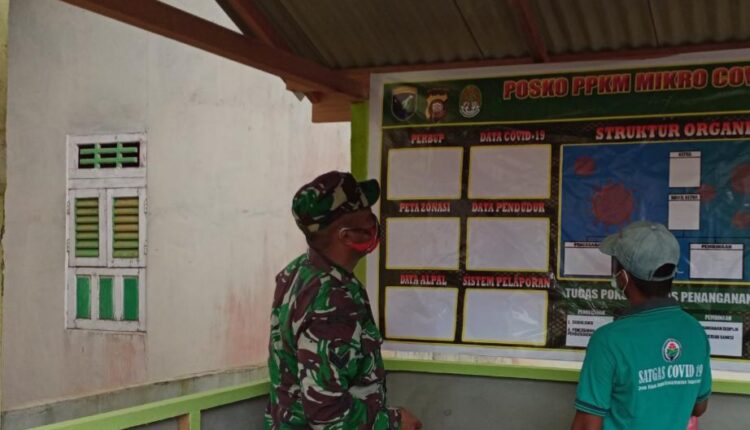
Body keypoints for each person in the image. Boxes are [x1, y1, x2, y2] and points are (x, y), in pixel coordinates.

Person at [264, 171, 422, 430]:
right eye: (367, 216)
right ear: (346, 236)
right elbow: (327, 413)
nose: (374, 221)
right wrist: (395, 422)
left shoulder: (298, 273)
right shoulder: (332, 302)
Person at [571, 221, 711, 430]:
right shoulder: (694, 330)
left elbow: (586, 425)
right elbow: (699, 406)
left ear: (623, 276)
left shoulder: (609, 340)